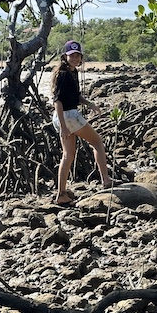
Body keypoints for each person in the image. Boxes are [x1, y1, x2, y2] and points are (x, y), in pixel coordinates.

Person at [51, 40, 112, 205]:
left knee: (68, 155)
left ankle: (61, 194)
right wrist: (64, 127)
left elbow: (76, 96)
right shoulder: (63, 74)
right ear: (65, 56)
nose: (75, 58)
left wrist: (90, 104)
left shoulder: (73, 72)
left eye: (78, 55)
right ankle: (106, 180)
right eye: (72, 55)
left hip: (62, 118)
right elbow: (57, 101)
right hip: (67, 116)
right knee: (97, 142)